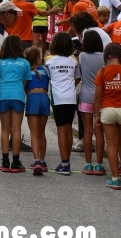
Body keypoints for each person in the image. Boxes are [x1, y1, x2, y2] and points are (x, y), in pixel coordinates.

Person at [94, 42, 121, 190]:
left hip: (108, 109)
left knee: (111, 144)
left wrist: (96, 115)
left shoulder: (102, 72)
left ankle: (114, 178)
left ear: (106, 55)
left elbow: (98, 97)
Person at [46, 32, 81, 176]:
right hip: (71, 96)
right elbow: (78, 77)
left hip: (58, 97)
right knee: (68, 128)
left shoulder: (49, 59)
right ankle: (67, 162)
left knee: (61, 130)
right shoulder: (74, 60)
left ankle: (64, 163)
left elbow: (48, 77)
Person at [0, 35, 30, 173]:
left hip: (3, 95)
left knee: (5, 129)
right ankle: (15, 162)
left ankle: (5, 162)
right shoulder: (25, 63)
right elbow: (25, 82)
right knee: (16, 129)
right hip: (18, 95)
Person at [77, 30, 106, 176]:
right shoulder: (104, 58)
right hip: (102, 97)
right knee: (99, 132)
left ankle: (88, 164)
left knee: (87, 132)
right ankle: (100, 165)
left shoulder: (81, 56)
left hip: (85, 95)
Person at [24, 46, 50, 176]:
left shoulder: (27, 71)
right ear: (38, 59)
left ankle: (36, 161)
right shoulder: (45, 69)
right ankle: (43, 160)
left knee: (33, 133)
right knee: (42, 132)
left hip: (32, 98)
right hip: (44, 98)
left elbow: (24, 86)